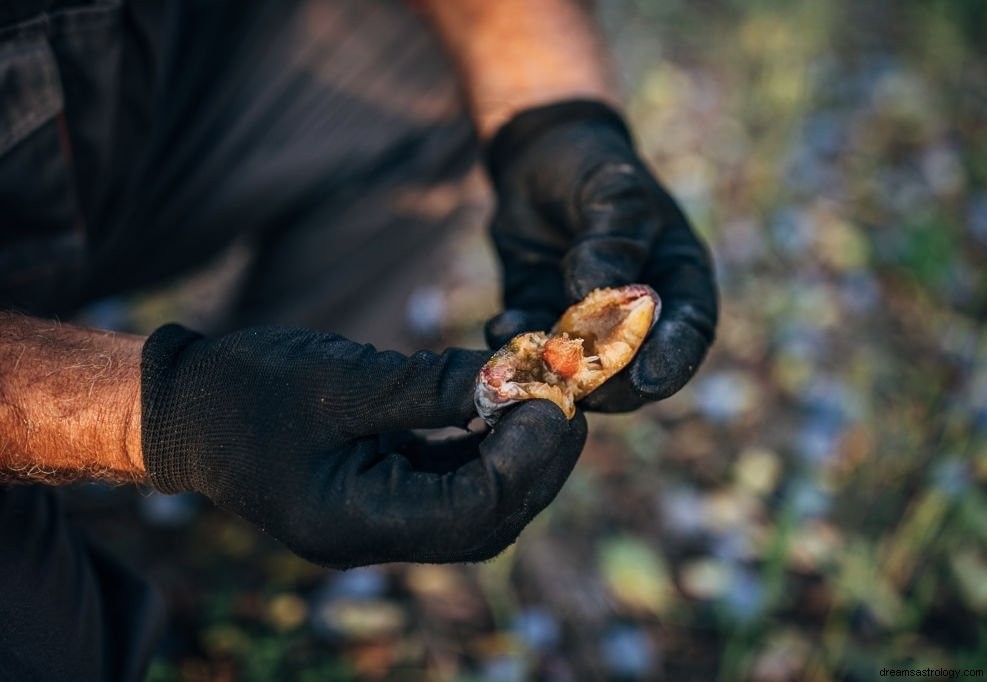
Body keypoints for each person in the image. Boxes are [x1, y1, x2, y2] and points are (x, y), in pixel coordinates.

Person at [0, 0, 717, 678]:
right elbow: (156, 408)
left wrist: (553, 114)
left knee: (430, 61)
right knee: (58, 652)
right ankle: (238, 455)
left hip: (105, 104)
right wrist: (164, 411)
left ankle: (296, 481)